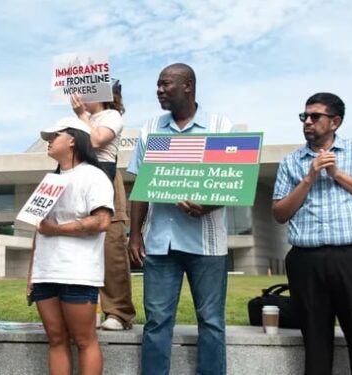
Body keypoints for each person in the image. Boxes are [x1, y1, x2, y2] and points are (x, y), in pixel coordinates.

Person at [127, 63, 233, 375]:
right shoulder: (150, 130)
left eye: (165, 84)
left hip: (207, 245)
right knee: (157, 321)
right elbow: (140, 187)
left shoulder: (219, 126)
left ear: (187, 86)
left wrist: (208, 204)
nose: (158, 91)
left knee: (212, 321)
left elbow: (232, 181)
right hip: (160, 244)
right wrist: (135, 234)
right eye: (158, 85)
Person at [272, 92, 352, 375]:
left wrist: (337, 174)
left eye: (315, 116)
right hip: (306, 261)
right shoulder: (292, 162)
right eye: (304, 116)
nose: (307, 122)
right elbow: (279, 213)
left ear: (335, 121)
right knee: (315, 344)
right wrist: (310, 177)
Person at [27, 118, 114, 375]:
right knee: (55, 339)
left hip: (78, 271)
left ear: (73, 139)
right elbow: (39, 228)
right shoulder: (49, 181)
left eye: (54, 136)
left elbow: (102, 220)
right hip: (46, 271)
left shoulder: (94, 176)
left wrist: (58, 229)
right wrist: (33, 272)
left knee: (85, 340)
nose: (49, 141)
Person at [70, 81, 134, 330]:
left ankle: (119, 312)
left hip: (106, 180)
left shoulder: (112, 116)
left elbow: (96, 140)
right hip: (80, 179)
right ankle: (89, 308)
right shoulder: (81, 117)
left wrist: (80, 115)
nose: (80, 95)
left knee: (112, 248)